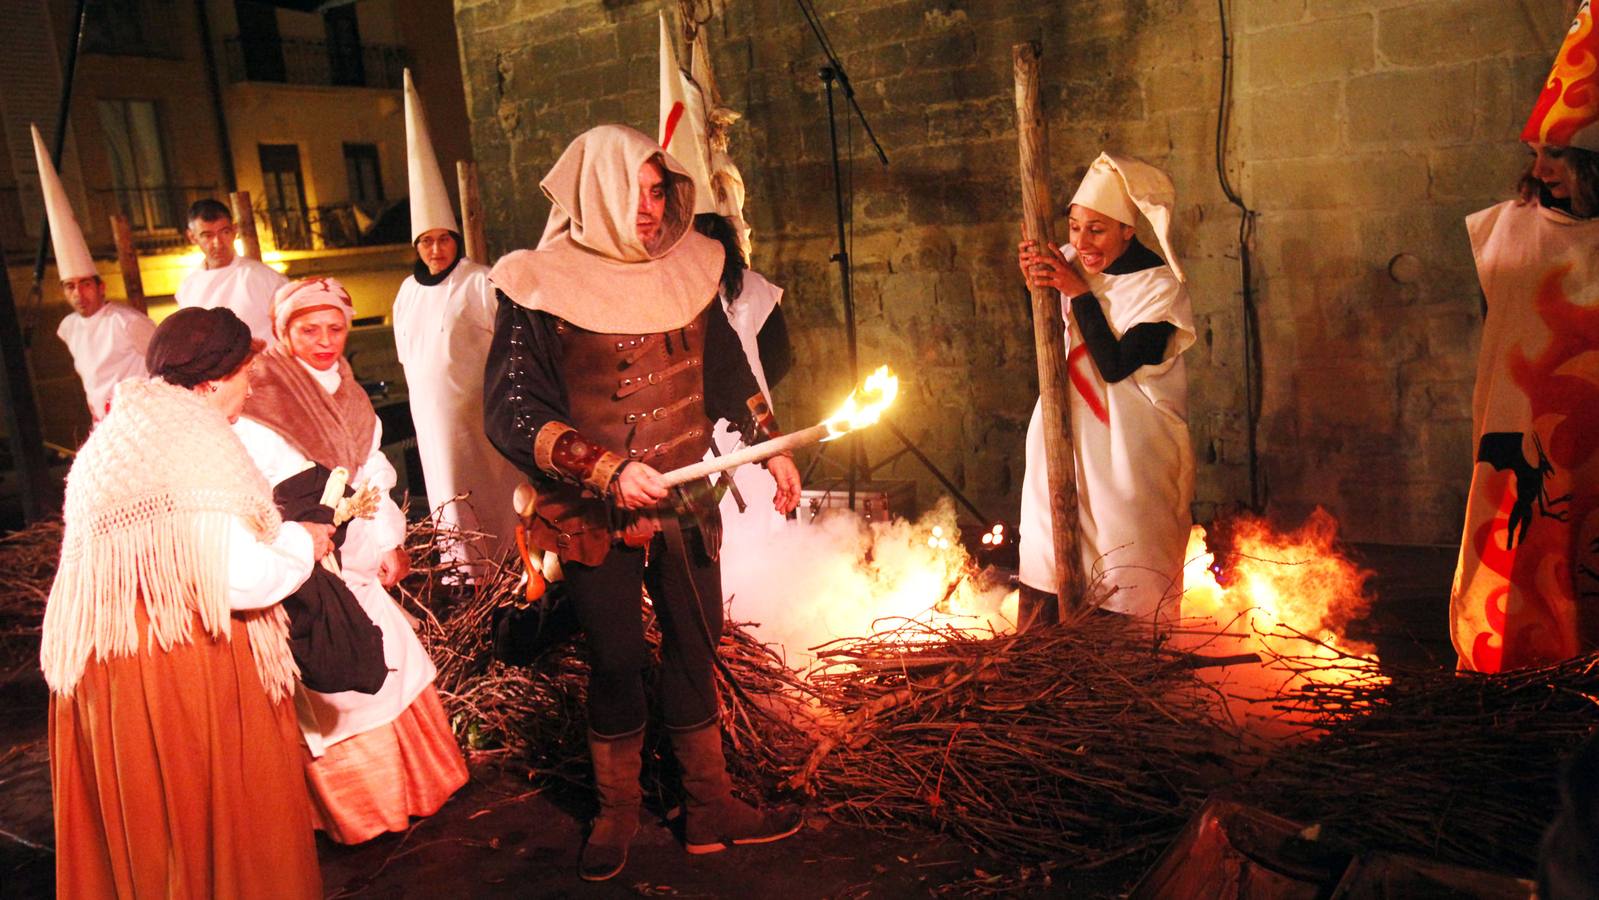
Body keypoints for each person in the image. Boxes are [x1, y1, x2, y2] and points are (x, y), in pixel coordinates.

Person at [485, 124, 803, 882]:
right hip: (596, 514)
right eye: (633, 190)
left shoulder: (691, 268)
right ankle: (617, 812)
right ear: (593, 193)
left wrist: (774, 443)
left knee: (697, 644)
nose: (650, 208)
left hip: (686, 498)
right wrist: (602, 469)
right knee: (618, 659)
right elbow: (513, 412)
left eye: (659, 190)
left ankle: (710, 808)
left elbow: (726, 367)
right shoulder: (534, 284)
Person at [42, 306, 327, 898]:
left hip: (103, 672)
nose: (250, 390)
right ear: (214, 379)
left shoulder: (116, 438)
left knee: (153, 835)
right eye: (248, 375)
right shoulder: (194, 443)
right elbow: (236, 578)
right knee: (217, 826)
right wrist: (305, 541)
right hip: (180, 663)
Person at [237, 276, 469, 843]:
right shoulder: (258, 396)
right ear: (281, 331)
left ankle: (419, 786)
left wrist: (386, 536)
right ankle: (364, 813)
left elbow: (372, 475)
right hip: (305, 557)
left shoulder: (348, 390)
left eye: (335, 329)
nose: (324, 340)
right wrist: (312, 537)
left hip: (357, 543)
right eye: (308, 329)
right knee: (335, 678)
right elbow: (269, 486)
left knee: (392, 664)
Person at [1450, 1, 1599, 673]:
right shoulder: (1509, 227)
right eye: (1536, 154)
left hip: (1588, 437)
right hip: (1516, 424)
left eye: (1557, 158)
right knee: (1518, 542)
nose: (1539, 171)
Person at [1015, 152, 1196, 626]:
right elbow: (1049, 324)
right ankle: (1043, 660)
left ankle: (1125, 674)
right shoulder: (1073, 262)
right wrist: (1035, 283)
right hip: (1063, 429)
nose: (1081, 241)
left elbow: (1115, 366)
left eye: (1097, 230)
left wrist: (1078, 293)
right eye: (1074, 227)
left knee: (1126, 544)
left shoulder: (1159, 287)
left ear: (1127, 231)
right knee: (1049, 536)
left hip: (1127, 442)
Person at [391, 69, 522, 572]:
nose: (436, 248)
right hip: (431, 421)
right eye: (426, 241)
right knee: (451, 504)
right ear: (416, 247)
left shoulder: (479, 282)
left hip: (478, 420)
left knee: (490, 499)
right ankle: (466, 574)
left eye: (444, 238)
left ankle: (509, 568)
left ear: (456, 240)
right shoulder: (406, 293)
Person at [692, 212, 795, 596]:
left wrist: (748, 389)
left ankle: (763, 597)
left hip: (747, 412)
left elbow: (775, 358)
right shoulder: (681, 294)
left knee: (756, 503)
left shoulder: (753, 290)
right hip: (703, 424)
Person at [31, 123, 154, 422]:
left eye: (84, 284)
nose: (78, 293)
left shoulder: (127, 322)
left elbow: (160, 363)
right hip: (104, 422)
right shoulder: (68, 327)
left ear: (101, 287)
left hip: (141, 417)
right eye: (69, 286)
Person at [176, 198, 288, 341]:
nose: (218, 243)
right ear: (192, 237)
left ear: (234, 231)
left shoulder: (265, 278)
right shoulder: (187, 288)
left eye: (225, 232)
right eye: (207, 236)